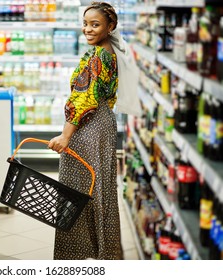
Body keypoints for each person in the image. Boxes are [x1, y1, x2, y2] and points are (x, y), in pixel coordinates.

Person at [48, 1, 142, 260]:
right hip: (103, 123)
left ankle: (76, 254)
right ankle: (104, 251)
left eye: (95, 24)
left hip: (88, 128)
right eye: (85, 24)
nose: (87, 29)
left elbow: (83, 98)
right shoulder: (108, 50)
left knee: (77, 189)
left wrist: (66, 136)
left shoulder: (99, 55)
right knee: (99, 188)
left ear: (110, 26)